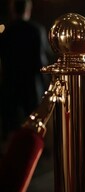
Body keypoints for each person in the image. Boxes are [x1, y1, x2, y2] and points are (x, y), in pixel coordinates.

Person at [0, 0, 50, 141]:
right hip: (32, 85)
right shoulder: (37, 30)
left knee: (11, 126)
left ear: (13, 10)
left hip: (10, 85)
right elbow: (42, 62)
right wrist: (46, 85)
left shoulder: (7, 32)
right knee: (34, 125)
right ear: (28, 9)